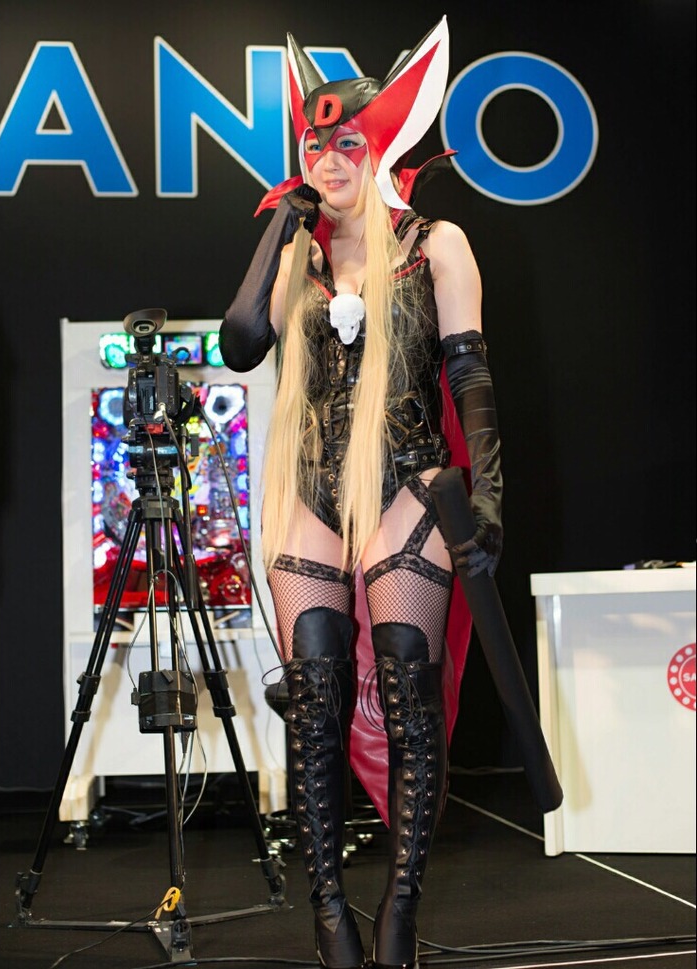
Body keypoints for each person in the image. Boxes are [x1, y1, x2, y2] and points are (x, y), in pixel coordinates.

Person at [220, 18, 505, 969]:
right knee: (314, 702)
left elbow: (469, 377)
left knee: (409, 695)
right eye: (316, 143)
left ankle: (400, 911)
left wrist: (488, 500)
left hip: (406, 486)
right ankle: (328, 914)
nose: (330, 157)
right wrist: (285, 224)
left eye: (348, 142)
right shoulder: (298, 254)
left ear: (380, 146)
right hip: (308, 490)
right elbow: (240, 343)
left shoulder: (436, 244)